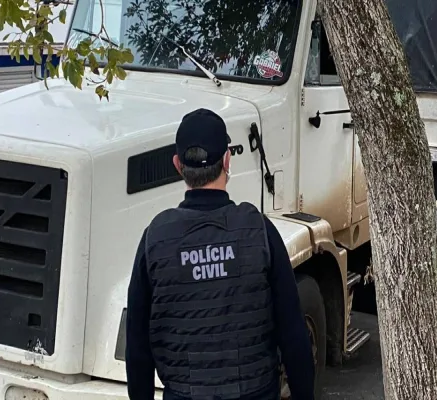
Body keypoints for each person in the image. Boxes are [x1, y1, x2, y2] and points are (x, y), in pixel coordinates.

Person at [125, 108, 315, 400]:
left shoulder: (155, 238)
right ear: (227, 160)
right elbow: (293, 333)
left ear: (177, 165)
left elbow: (137, 347)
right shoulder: (259, 231)